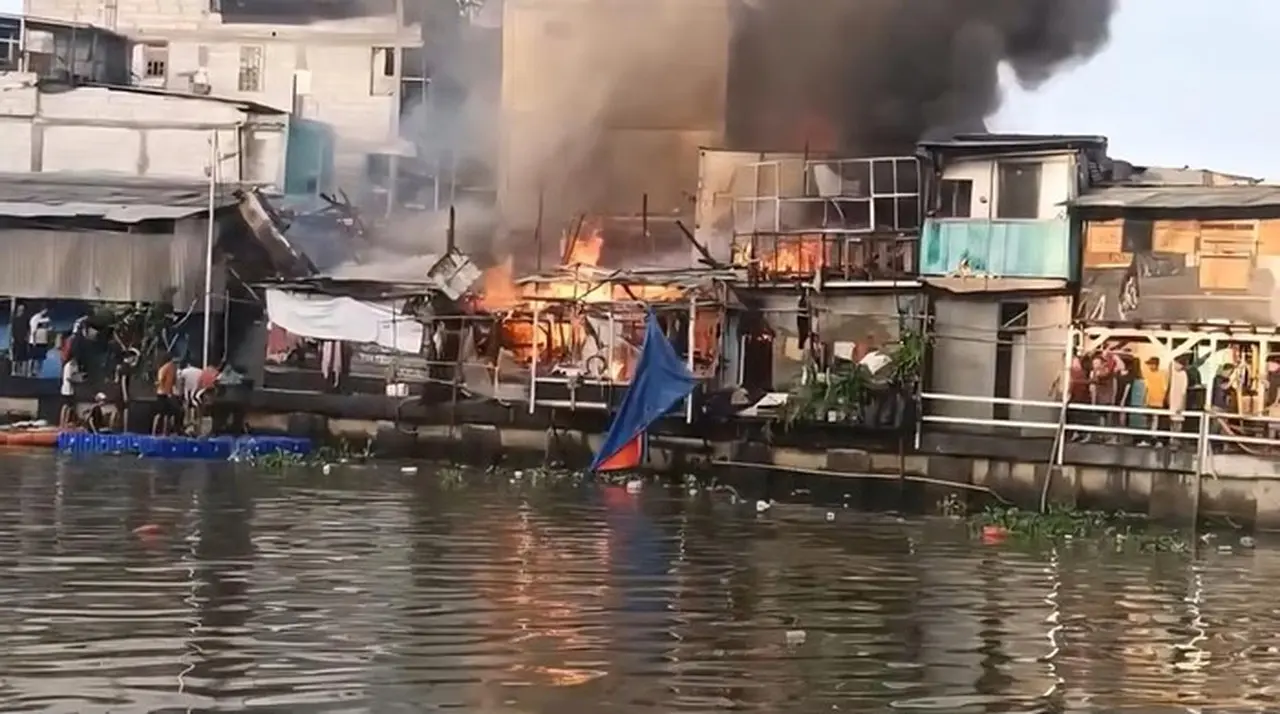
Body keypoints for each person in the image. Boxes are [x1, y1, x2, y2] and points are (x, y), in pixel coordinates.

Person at [1140, 357, 1168, 445]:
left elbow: (1165, 388)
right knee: (1148, 421)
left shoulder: (1162, 374)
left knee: (1157, 422)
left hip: (1159, 401)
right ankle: (1148, 439)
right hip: (1150, 401)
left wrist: (1164, 400)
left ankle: (1157, 440)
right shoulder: (1148, 375)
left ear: (1156, 365)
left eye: (1152, 364)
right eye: (1149, 364)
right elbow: (1146, 388)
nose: (1150, 366)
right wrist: (1144, 399)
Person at [152, 354, 177, 436]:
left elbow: (161, 380)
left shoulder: (163, 368)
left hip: (163, 392)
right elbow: (169, 380)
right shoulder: (170, 367)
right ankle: (163, 432)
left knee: (163, 414)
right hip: (165, 393)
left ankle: (159, 432)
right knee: (165, 414)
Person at [177, 359, 204, 433]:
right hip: (197, 394)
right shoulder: (201, 371)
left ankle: (187, 428)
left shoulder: (184, 371)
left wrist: (180, 394)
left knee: (187, 412)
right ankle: (198, 430)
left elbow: (181, 382)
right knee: (197, 413)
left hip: (188, 394)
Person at [1168, 358, 1190, 448]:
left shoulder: (1183, 374)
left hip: (1179, 401)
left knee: (1178, 422)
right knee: (1172, 421)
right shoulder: (1172, 373)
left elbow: (1184, 392)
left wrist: (1181, 404)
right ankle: (1172, 439)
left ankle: (1176, 440)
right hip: (1172, 400)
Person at [27, 306, 51, 378]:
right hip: (36, 341)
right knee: (34, 358)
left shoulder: (38, 318)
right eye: (46, 311)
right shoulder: (37, 317)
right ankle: (32, 371)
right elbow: (34, 331)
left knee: (38, 358)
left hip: (39, 341)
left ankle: (36, 372)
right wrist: (34, 341)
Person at [58, 358, 78, 427]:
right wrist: (76, 380)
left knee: (70, 407)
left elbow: (75, 374)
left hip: (71, 389)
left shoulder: (74, 365)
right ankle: (62, 422)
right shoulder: (68, 366)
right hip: (66, 389)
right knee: (65, 406)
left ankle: (66, 422)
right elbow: (68, 378)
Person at [10, 303, 27, 376]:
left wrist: (27, 337)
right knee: (15, 356)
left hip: (23, 339)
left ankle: (21, 371)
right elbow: (12, 330)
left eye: (22, 309)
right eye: (20, 309)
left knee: (22, 356)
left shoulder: (25, 319)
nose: (21, 311)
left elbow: (27, 329)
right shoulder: (15, 319)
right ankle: (13, 370)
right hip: (16, 339)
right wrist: (12, 338)